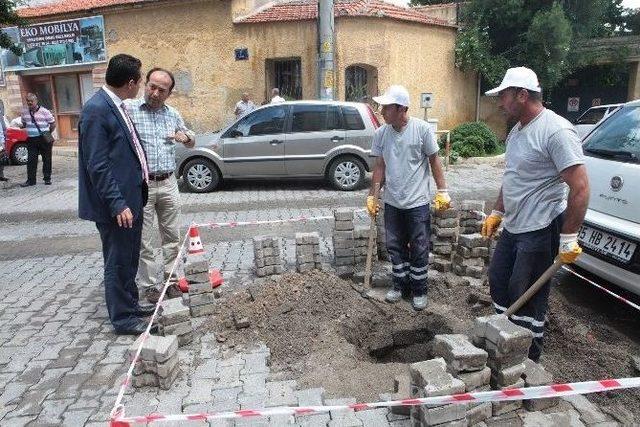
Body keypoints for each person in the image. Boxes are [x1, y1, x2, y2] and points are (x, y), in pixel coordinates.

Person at [482, 67, 589, 361]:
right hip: (515, 225)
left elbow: (580, 188)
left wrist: (568, 238)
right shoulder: (516, 132)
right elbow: (512, 177)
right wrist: (496, 211)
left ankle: (528, 364)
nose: (500, 102)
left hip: (541, 227)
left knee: (527, 295)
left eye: (503, 96)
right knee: (499, 280)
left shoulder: (556, 131)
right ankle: (502, 350)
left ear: (522, 95)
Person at [78, 53, 156, 335]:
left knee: (130, 257)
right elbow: (97, 164)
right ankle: (123, 318)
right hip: (117, 205)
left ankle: (131, 304)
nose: (140, 87)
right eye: (140, 81)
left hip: (130, 199)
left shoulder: (115, 105)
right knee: (118, 259)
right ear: (131, 82)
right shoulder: (97, 109)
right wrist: (117, 203)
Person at [366, 85, 451, 311]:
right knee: (394, 245)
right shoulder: (381, 134)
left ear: (402, 108)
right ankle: (400, 285)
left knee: (420, 246)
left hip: (417, 203)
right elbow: (380, 167)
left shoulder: (421, 130)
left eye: (386, 107)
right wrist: (373, 196)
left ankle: (420, 289)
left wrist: (442, 190)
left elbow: (434, 161)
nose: (382, 111)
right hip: (393, 201)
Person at [125, 68, 195, 304]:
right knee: (143, 240)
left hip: (168, 183)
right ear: (145, 84)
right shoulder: (129, 110)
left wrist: (186, 138)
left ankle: (171, 282)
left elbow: (189, 138)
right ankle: (149, 287)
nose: (155, 93)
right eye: (151, 86)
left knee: (172, 236)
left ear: (169, 93)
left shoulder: (173, 114)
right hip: (141, 186)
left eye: (161, 90)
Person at [20, 93, 56, 187]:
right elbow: (24, 123)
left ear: (36, 101)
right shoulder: (24, 112)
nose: (29, 102)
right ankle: (31, 180)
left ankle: (47, 179)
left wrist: (47, 133)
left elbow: (52, 124)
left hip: (45, 136)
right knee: (31, 159)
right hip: (31, 138)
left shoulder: (45, 111)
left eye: (31, 101)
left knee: (47, 159)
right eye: (28, 101)